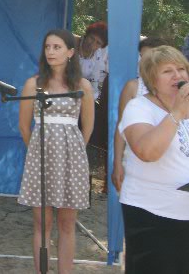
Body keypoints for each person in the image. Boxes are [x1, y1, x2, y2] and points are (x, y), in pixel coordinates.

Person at [118, 45, 189, 273]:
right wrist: (176, 113)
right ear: (152, 80)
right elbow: (147, 152)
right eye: (167, 71)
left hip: (188, 211)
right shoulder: (139, 107)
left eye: (181, 69)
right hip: (148, 210)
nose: (177, 75)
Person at [17, 29, 94, 274]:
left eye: (57, 47)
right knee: (42, 223)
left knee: (67, 223)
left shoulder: (82, 86)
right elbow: (24, 126)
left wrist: (75, 152)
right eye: (48, 47)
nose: (50, 51)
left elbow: (88, 125)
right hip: (41, 159)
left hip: (71, 160)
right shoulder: (34, 84)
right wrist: (37, 151)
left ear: (70, 52)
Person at [111, 37, 169, 192]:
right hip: (136, 160)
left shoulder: (175, 88)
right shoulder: (133, 87)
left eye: (149, 57)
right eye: (142, 57)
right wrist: (117, 163)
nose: (143, 62)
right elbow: (121, 128)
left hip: (168, 162)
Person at [78, 22, 108, 101]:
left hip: (82, 94)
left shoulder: (97, 54)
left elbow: (94, 80)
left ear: (101, 46)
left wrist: (91, 98)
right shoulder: (73, 45)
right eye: (91, 38)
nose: (92, 44)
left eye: (98, 43)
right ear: (86, 35)